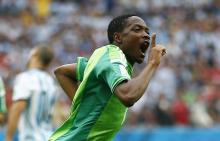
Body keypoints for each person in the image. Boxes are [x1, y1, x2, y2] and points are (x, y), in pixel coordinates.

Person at [49, 14, 166, 141]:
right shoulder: (112, 55)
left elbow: (62, 72)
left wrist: (85, 108)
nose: (146, 35)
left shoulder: (108, 64)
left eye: (147, 31)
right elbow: (128, 95)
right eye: (137, 29)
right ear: (118, 37)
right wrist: (153, 63)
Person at [6, 45, 57, 141]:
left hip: (31, 137)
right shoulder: (50, 81)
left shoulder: (25, 78)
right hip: (49, 136)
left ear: (35, 55)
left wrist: (8, 137)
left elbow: (18, 107)